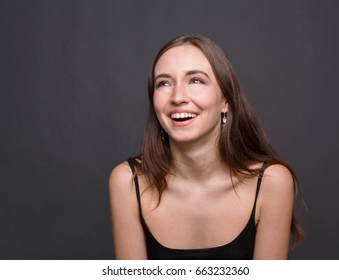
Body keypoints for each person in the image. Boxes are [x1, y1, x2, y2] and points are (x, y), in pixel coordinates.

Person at [109, 34, 304, 260]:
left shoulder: (272, 182)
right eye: (164, 83)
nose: (177, 97)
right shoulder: (128, 181)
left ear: (225, 101)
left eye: (196, 80)